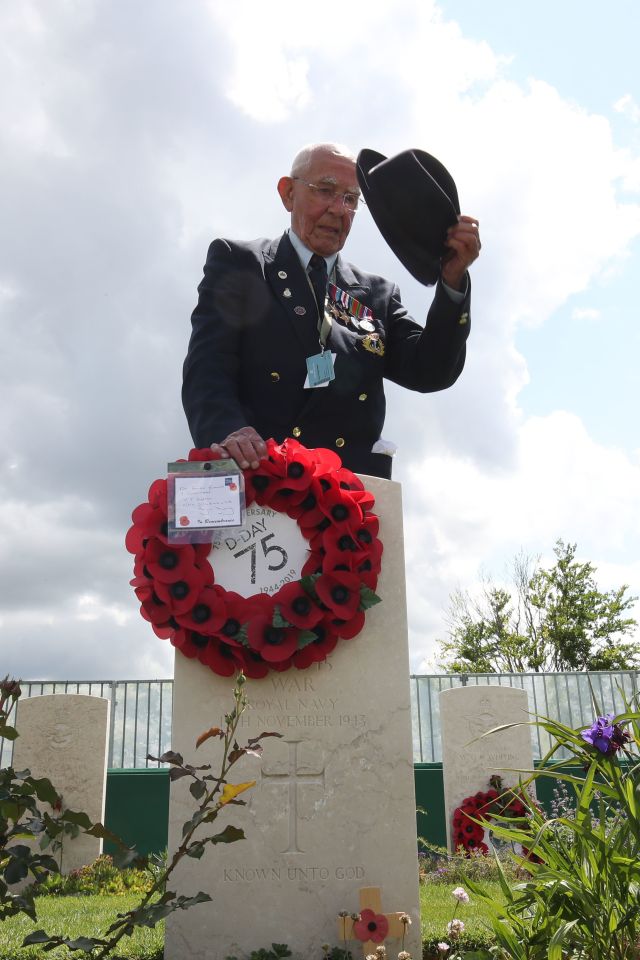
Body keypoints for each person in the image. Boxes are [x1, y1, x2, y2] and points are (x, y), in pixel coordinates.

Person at [182, 142, 480, 479]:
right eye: (325, 190)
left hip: (347, 503)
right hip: (260, 484)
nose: (339, 209)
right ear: (288, 193)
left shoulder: (378, 294)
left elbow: (431, 371)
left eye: (351, 199)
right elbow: (208, 369)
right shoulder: (241, 263)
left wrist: (453, 282)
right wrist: (228, 432)